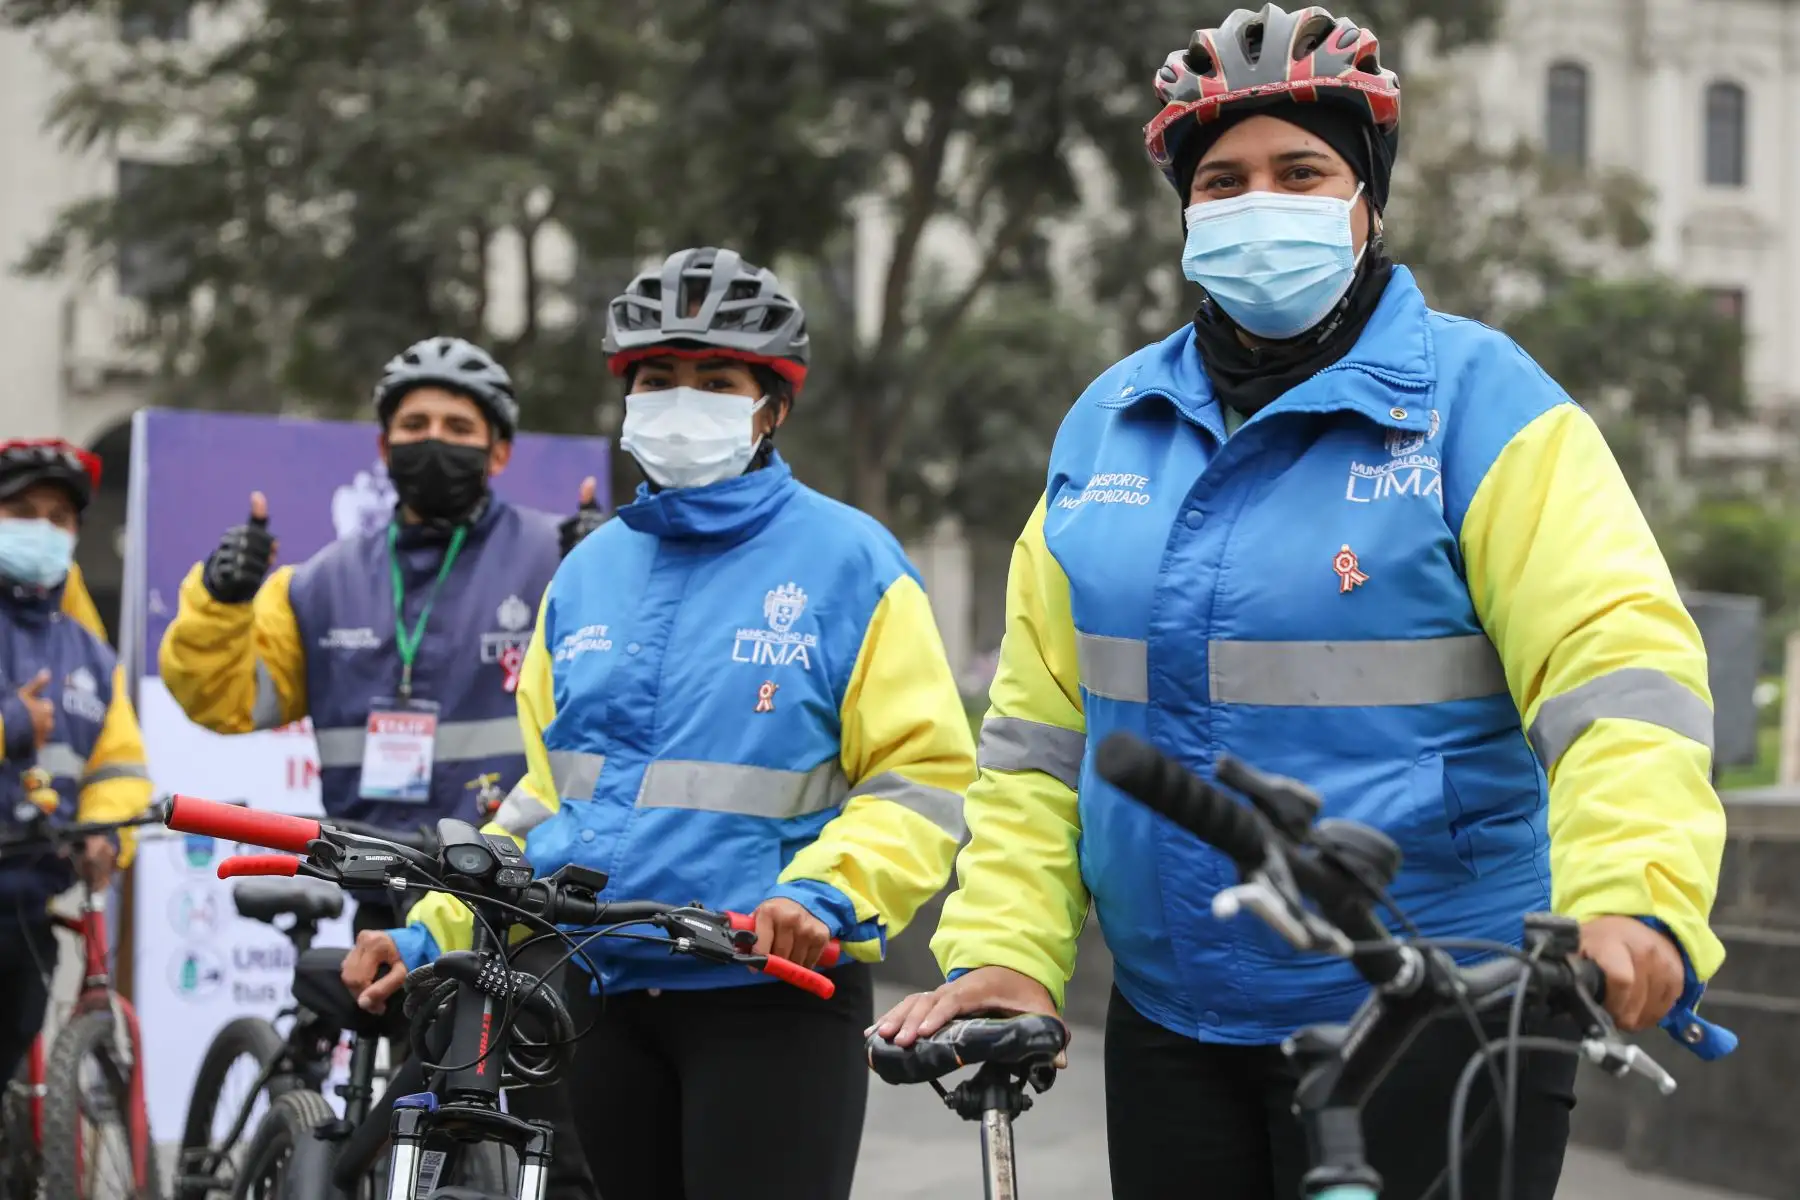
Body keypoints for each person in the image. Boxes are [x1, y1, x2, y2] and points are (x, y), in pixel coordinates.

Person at [875, 7, 1730, 1199]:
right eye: (1221, 181)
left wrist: (1632, 901)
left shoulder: (1488, 409)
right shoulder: (1107, 426)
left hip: (1443, 1015)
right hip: (1176, 1024)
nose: (1256, 203)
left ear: (1366, 199)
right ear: (1184, 213)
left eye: (1299, 171)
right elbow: (1038, 742)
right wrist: (1011, 956)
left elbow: (1620, 677)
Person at [341, 248, 976, 1200]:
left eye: (716, 381)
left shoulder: (853, 563)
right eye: (659, 379)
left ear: (773, 409)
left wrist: (824, 897)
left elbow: (919, 779)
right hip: (602, 1001)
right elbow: (547, 805)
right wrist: (431, 930)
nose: (684, 401)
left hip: (772, 1001)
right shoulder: (587, 576)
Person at [159, 336, 603, 931]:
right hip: (375, 878)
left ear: (498, 453)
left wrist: (602, 577)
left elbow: (617, 706)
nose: (434, 439)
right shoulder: (319, 583)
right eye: (414, 424)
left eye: (458, 426)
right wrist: (221, 599)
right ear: (384, 446)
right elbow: (222, 698)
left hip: (516, 887)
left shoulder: (557, 558)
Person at [0, 439, 152, 1086]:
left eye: (57, 518)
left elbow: (119, 769)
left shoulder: (91, 655)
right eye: (22, 511)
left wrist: (105, 832)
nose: (42, 529)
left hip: (29, 912)